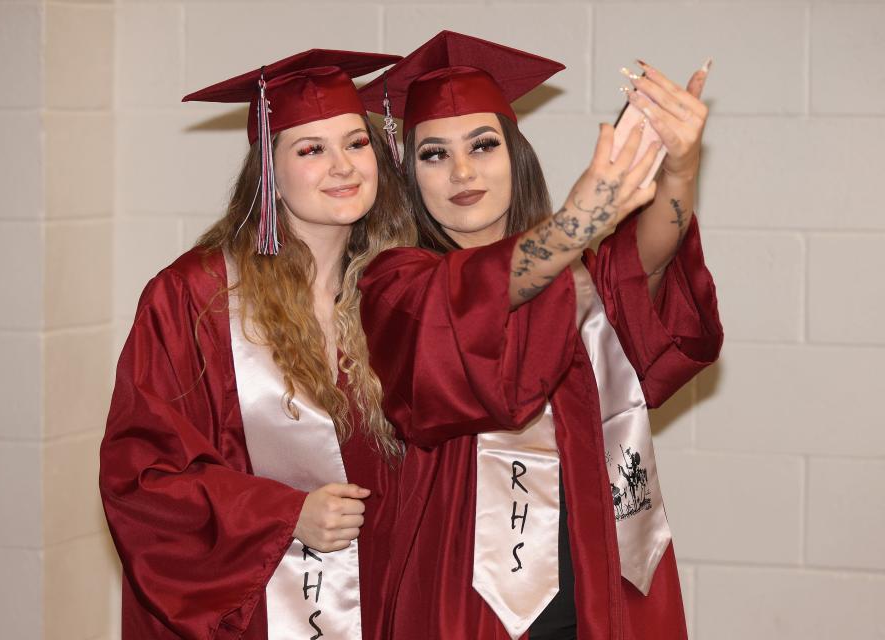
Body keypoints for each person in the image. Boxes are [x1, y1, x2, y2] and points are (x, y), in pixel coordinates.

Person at [358, 31, 724, 639]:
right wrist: (579, 221)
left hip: (592, 578)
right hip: (465, 598)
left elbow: (647, 261)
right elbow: (472, 301)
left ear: (515, 156)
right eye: (433, 154)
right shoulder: (398, 286)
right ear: (410, 176)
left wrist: (680, 169)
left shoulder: (580, 274)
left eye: (483, 145)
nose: (463, 171)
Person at [99, 49, 416, 639]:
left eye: (356, 142)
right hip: (254, 613)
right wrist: (285, 514)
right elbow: (141, 477)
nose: (343, 166)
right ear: (268, 170)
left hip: (388, 595)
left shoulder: (395, 288)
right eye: (311, 149)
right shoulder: (196, 296)